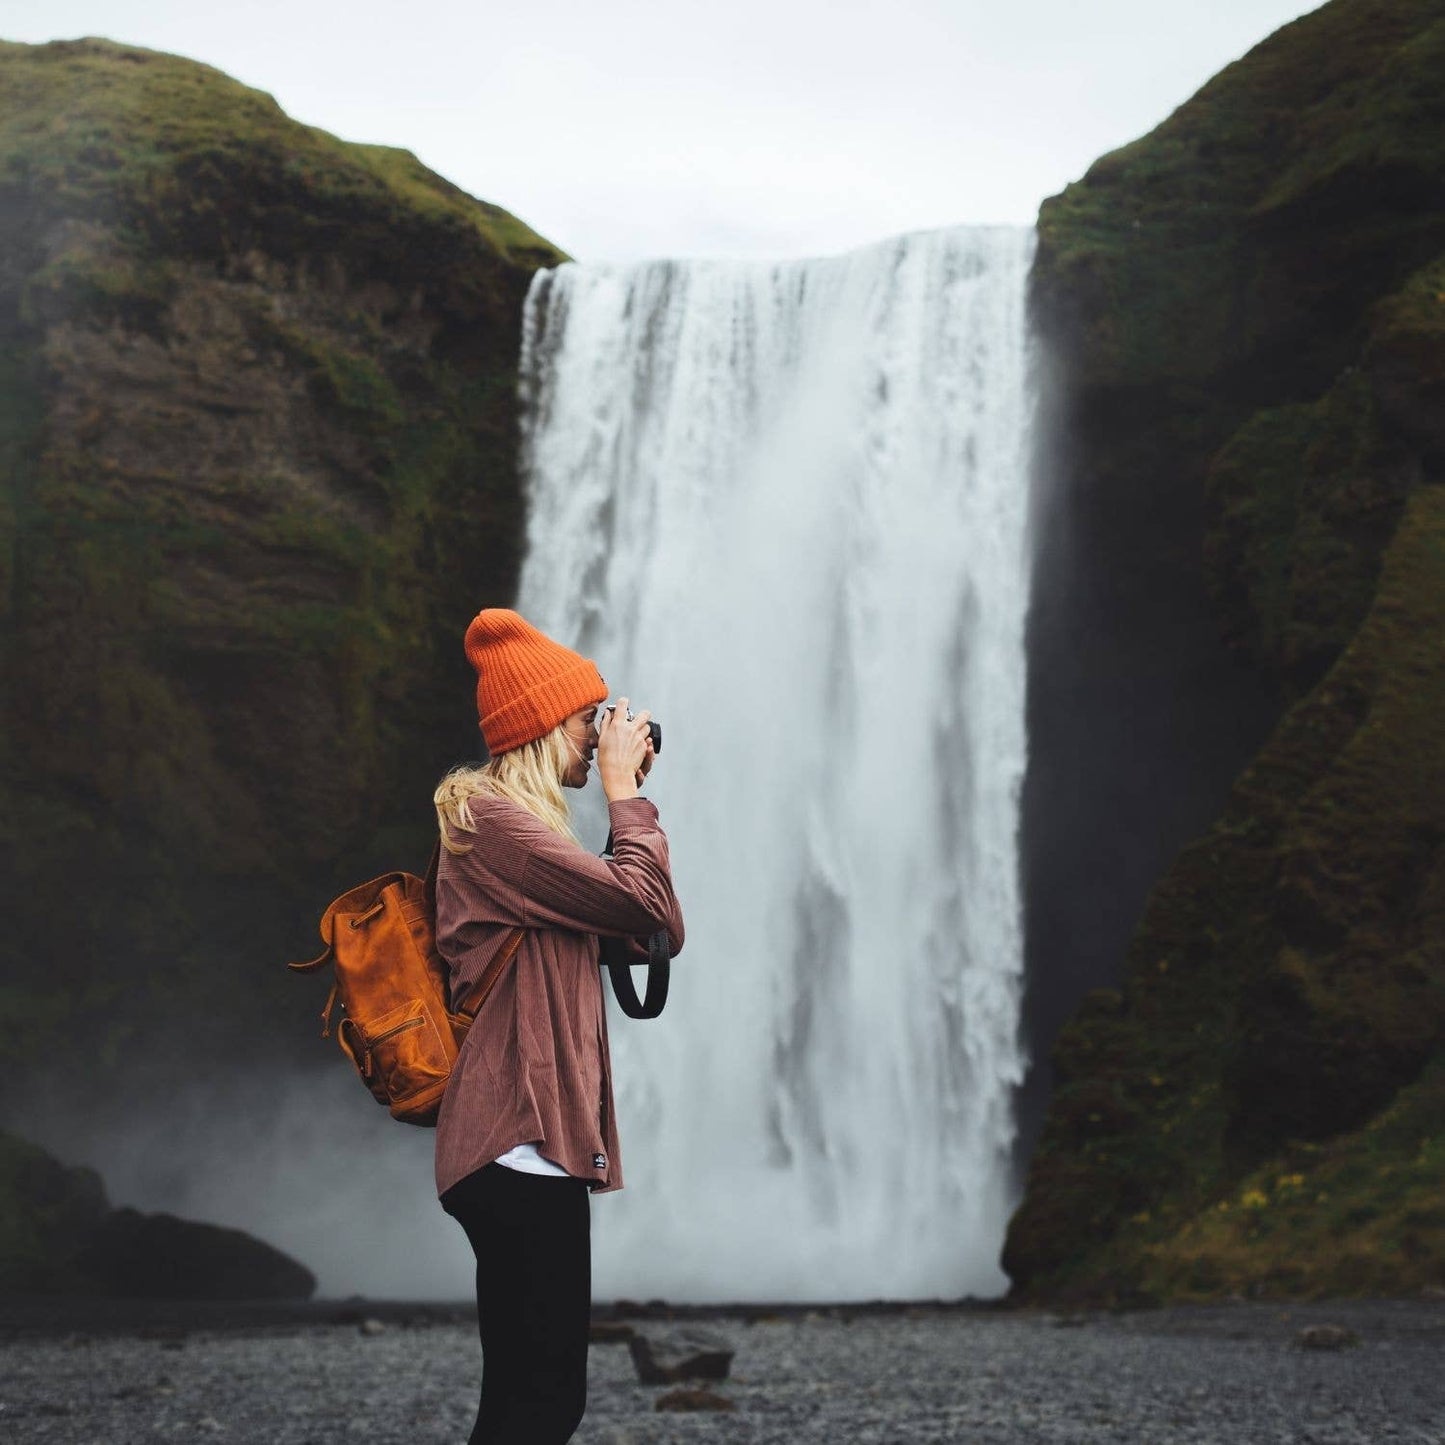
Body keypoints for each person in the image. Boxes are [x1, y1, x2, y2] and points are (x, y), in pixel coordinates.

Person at [431, 608, 684, 1445]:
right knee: (538, 1402)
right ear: (544, 723)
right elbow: (641, 900)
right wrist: (625, 796)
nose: (599, 733)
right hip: (514, 1142)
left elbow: (656, 931)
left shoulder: (535, 844)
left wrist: (625, 808)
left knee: (531, 1400)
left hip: (537, 1148)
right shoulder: (486, 822)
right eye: (588, 718)